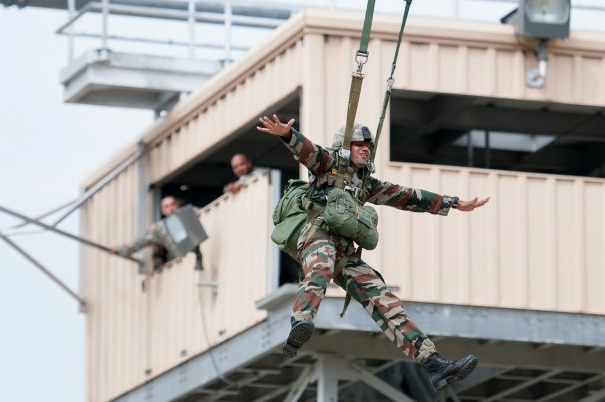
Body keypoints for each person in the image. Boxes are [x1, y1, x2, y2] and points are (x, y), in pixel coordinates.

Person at [257, 114, 490, 392]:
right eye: (358, 144)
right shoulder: (327, 166)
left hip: (345, 254)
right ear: (345, 147)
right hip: (317, 236)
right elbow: (308, 151)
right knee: (320, 267)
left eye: (368, 144)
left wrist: (452, 203)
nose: (365, 148)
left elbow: (408, 196)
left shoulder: (367, 185)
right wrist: (287, 135)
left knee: (385, 301)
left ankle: (433, 363)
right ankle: (301, 321)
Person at [110, 196, 200, 270]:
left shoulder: (190, 213)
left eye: (173, 204)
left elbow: (203, 212)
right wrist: (119, 249)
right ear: (163, 211)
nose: (171, 208)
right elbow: (140, 242)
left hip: (197, 257)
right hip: (180, 265)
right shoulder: (161, 228)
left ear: (178, 205)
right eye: (167, 206)